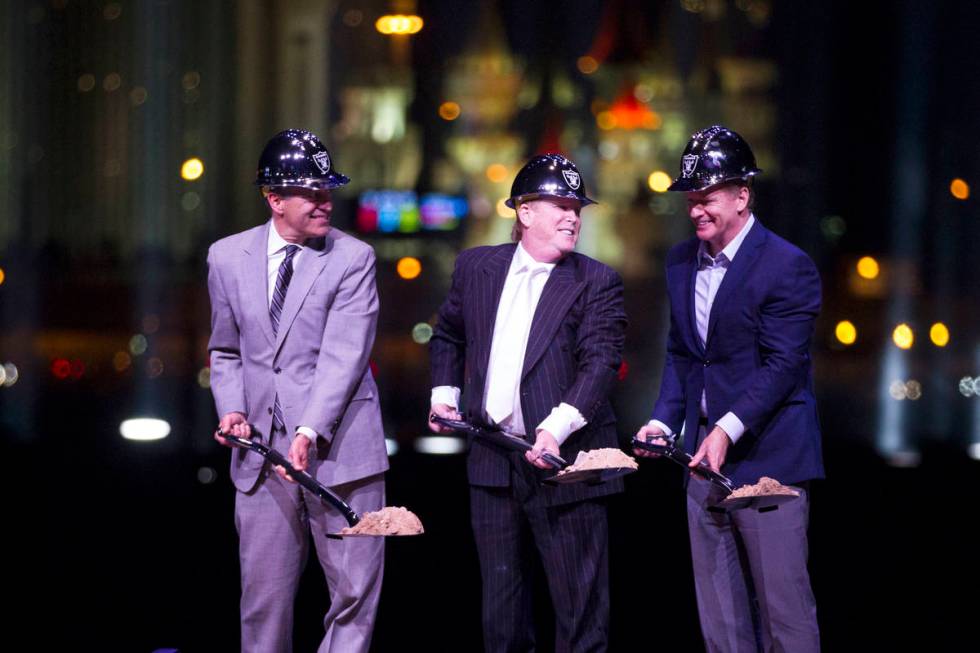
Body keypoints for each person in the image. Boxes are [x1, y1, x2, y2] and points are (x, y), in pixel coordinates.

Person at [635, 125, 823, 652]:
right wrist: (662, 420)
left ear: (742, 196)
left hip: (769, 462)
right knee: (721, 622)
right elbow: (683, 353)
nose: (696, 210)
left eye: (708, 199)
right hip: (701, 464)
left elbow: (784, 364)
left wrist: (724, 429)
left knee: (784, 619)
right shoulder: (679, 261)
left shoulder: (787, 266)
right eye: (691, 200)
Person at [429, 154, 627, 652]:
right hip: (493, 459)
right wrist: (444, 395)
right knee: (501, 613)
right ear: (524, 212)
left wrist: (553, 430)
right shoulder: (478, 267)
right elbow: (447, 334)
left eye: (577, 208)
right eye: (560, 205)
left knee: (580, 613)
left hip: (565, 464)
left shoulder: (595, 280)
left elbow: (599, 364)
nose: (572, 216)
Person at [207, 129, 388, 653]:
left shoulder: (353, 258)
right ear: (274, 198)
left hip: (342, 455)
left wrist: (309, 430)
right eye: (312, 193)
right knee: (263, 606)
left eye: (328, 191)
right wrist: (233, 410)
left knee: (354, 597)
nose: (325, 202)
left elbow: (345, 356)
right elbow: (226, 352)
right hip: (261, 459)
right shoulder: (225, 257)